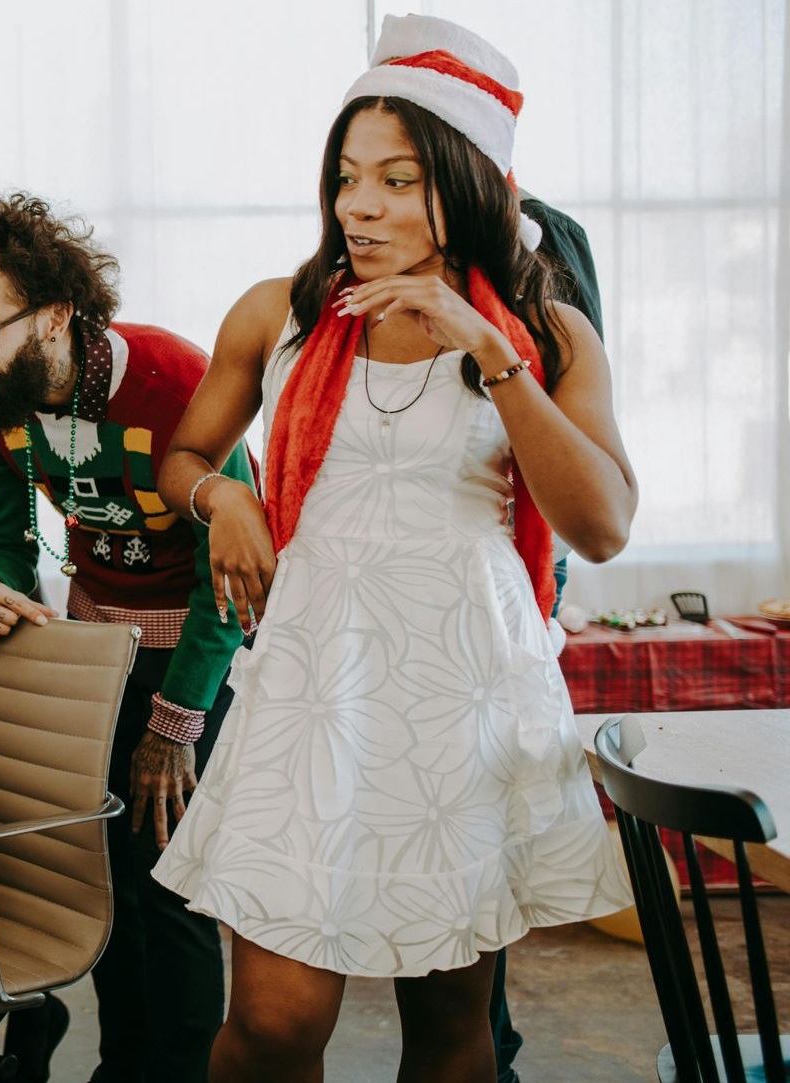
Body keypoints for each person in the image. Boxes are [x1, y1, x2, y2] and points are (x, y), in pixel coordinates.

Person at [151, 22, 636, 1081]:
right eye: (346, 177)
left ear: (468, 184)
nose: (358, 206)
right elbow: (183, 453)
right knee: (273, 1026)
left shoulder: (546, 334)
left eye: (397, 180)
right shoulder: (280, 312)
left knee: (451, 1030)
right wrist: (222, 499)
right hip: (309, 689)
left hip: (460, 701)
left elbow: (602, 525)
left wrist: (488, 347)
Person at [0, 193, 256, 1083]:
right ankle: (124, 1066)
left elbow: (228, 579)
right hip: (94, 651)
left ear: (56, 314)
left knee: (170, 883)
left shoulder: (177, 380)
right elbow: (2, 537)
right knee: (106, 881)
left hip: (199, 654)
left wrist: (175, 723)